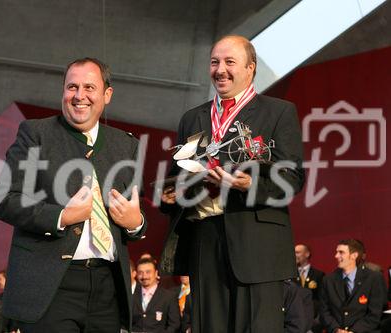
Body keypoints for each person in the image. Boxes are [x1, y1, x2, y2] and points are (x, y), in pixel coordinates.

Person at [159, 34, 305, 333]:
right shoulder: (192, 118)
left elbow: (292, 179)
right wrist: (172, 195)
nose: (220, 69)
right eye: (214, 62)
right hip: (204, 239)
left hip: (257, 243)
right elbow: (178, 176)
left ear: (250, 68)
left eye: (229, 62)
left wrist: (248, 184)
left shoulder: (278, 112)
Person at [0, 57, 147, 333]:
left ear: (106, 95)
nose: (79, 96)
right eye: (72, 87)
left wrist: (136, 224)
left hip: (107, 287)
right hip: (51, 286)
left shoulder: (127, 145)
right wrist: (62, 216)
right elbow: (5, 200)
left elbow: (132, 215)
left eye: (89, 87)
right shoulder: (35, 134)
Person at [319, 239, 387, 333]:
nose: (336, 256)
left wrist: (354, 331)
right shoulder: (328, 280)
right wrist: (336, 329)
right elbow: (324, 312)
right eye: (336, 252)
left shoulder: (373, 278)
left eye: (341, 252)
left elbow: (375, 313)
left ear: (354, 255)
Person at [132, 258, 180, 333]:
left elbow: (174, 325)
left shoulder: (169, 296)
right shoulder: (132, 295)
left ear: (156, 273)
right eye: (140, 273)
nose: (144, 276)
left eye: (148, 272)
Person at [295, 243, 325, 332]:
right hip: (295, 324)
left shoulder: (319, 275)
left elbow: (322, 302)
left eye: (297, 252)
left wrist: (315, 325)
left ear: (307, 254)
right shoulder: (291, 277)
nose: (295, 255)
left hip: (313, 324)